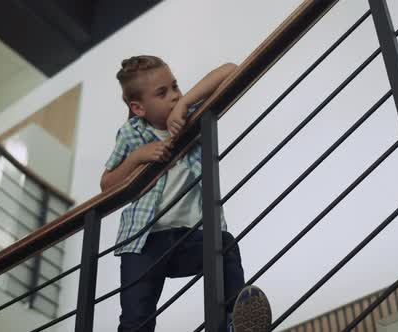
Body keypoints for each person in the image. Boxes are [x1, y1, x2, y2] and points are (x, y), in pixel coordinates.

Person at [100, 55, 271, 332]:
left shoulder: (190, 115)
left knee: (225, 246)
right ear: (138, 107)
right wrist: (136, 159)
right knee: (135, 318)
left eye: (175, 86)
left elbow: (230, 70)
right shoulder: (130, 134)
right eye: (162, 92)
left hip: (190, 236)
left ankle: (233, 322)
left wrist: (183, 104)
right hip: (142, 243)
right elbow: (107, 185)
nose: (173, 95)